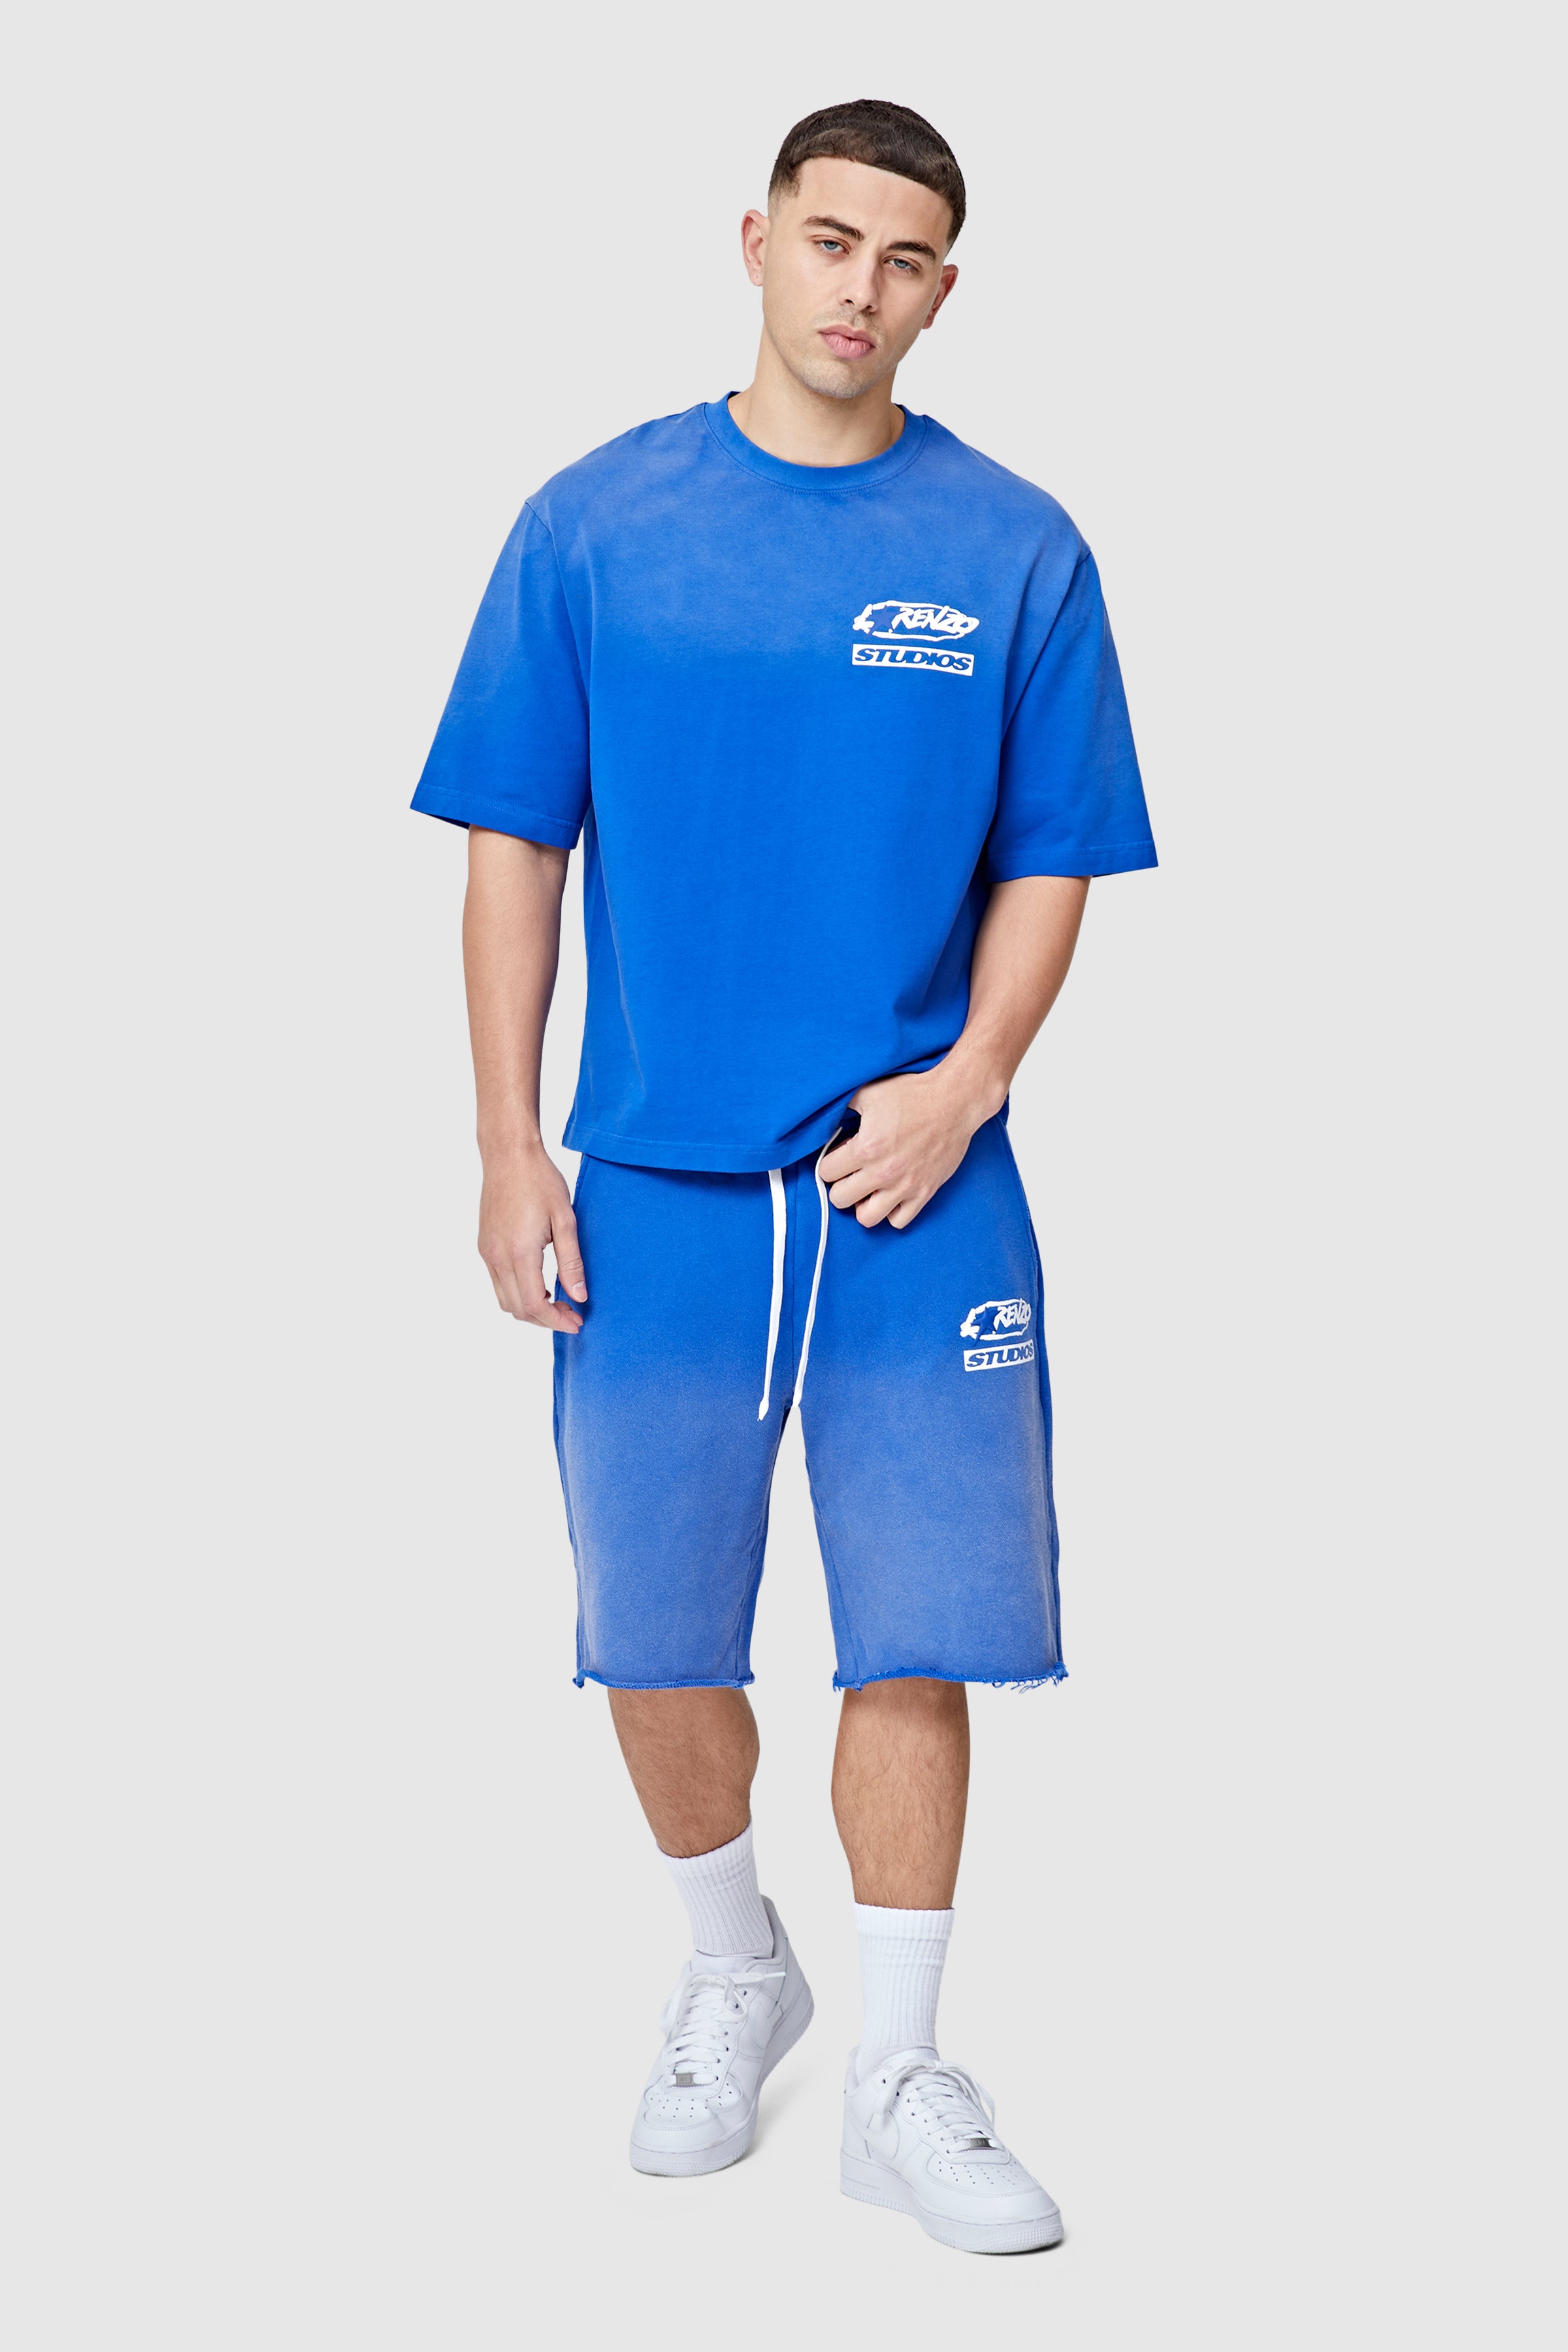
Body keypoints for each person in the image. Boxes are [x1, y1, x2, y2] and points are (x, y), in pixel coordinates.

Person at [411, 97, 1155, 2255]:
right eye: (831, 240)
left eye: (905, 259)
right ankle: (736, 1963)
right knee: (655, 1637)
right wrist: (505, 1143)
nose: (861, 288)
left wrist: (970, 1081)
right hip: (651, 1183)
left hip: (919, 1184)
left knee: (923, 1630)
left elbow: (1051, 858)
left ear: (944, 290)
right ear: (756, 242)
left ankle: (902, 2072)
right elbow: (512, 848)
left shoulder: (1016, 548)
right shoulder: (594, 526)